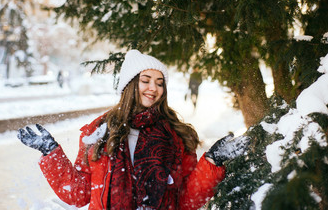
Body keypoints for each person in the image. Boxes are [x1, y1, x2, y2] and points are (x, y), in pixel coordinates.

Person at [17, 50, 250, 209]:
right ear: (130, 84)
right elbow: (78, 194)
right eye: (146, 80)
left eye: (160, 83)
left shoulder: (177, 135)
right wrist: (51, 153)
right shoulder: (100, 131)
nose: (153, 88)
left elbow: (186, 200)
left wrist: (212, 162)